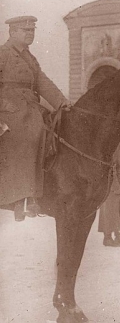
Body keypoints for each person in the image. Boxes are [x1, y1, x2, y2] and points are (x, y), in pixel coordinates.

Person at [0, 16, 71, 221]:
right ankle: (20, 197)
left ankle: (35, 193)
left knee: (53, 129)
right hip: (9, 109)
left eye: (32, 30)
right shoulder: (3, 54)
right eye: (25, 30)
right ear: (12, 32)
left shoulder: (30, 58)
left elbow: (42, 82)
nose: (30, 33)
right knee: (32, 132)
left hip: (29, 107)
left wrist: (62, 102)